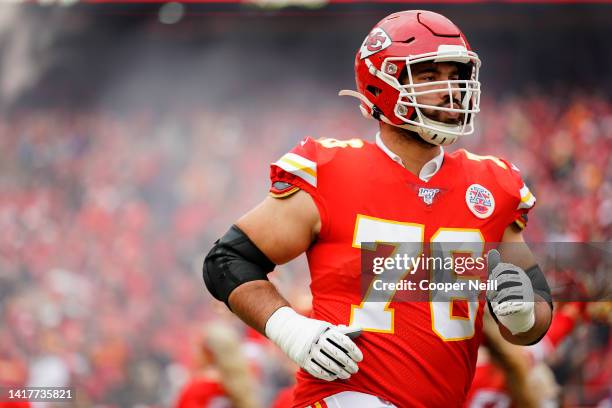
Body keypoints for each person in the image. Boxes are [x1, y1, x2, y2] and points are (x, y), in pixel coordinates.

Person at [203, 10, 553, 408]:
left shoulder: (493, 184)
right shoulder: (331, 170)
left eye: (455, 74)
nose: (450, 90)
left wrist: (522, 315)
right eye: (428, 76)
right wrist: (293, 331)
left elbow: (535, 310)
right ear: (382, 83)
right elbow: (226, 260)